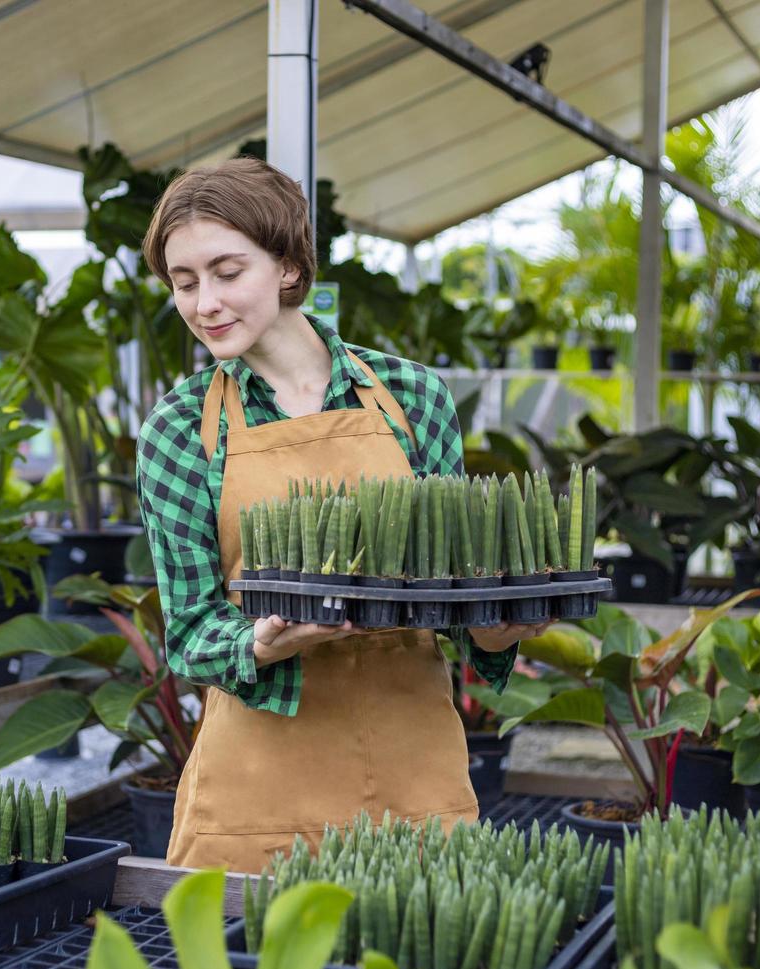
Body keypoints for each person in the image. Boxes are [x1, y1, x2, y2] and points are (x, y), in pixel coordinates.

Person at [135, 156, 553, 873]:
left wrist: (494, 623)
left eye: (227, 272)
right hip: (259, 787)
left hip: (412, 769)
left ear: (289, 266)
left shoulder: (411, 398)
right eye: (184, 282)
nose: (204, 302)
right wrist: (265, 643)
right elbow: (192, 632)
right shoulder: (179, 429)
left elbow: (452, 589)